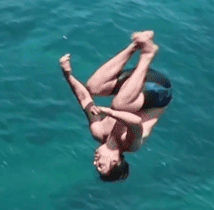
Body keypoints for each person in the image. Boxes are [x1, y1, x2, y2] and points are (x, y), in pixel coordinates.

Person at [59, 30, 173, 181]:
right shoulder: (130, 144)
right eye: (101, 166)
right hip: (159, 90)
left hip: (135, 84)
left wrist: (67, 75)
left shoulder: (98, 132)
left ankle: (136, 45)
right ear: (115, 161)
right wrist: (108, 111)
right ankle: (147, 54)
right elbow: (135, 122)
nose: (95, 162)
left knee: (93, 87)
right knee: (119, 105)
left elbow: (84, 99)